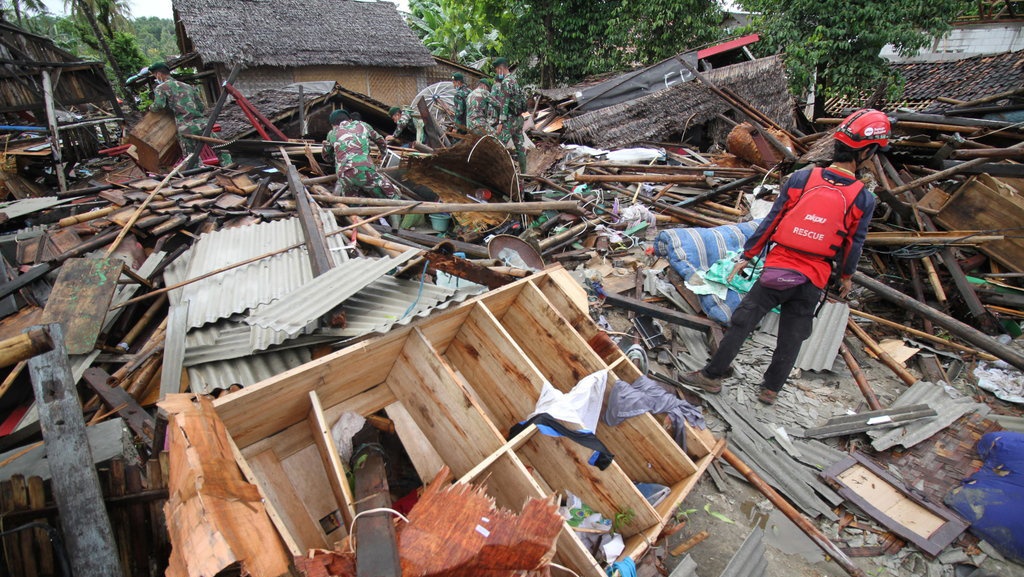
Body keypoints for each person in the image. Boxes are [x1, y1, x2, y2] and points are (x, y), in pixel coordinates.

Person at [680, 109, 891, 405]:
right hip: (813, 279)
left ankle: (711, 377)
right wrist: (845, 277)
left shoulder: (803, 179)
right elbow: (853, 244)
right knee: (793, 335)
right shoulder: (862, 198)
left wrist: (748, 254)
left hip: (779, 269)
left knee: (743, 321)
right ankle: (771, 389)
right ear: (867, 152)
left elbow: (772, 220)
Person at [322, 109, 400, 199]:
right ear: (350, 120)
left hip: (343, 175)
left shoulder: (331, 133)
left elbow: (326, 157)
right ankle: (396, 210)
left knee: (352, 203)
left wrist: (337, 159)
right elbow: (380, 140)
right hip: (364, 169)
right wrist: (384, 155)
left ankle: (354, 210)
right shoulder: (362, 125)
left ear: (333, 125)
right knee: (390, 195)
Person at [149, 61, 207, 159]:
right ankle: (229, 165)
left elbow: (159, 105)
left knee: (191, 157)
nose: (156, 78)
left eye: (155, 75)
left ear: (158, 74)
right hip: (201, 123)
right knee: (220, 148)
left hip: (185, 127)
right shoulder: (188, 86)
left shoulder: (161, 88)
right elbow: (201, 107)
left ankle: (197, 173)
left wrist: (150, 108)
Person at [490, 57, 528, 172]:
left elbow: (504, 104)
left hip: (510, 120)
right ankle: (524, 174)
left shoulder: (506, 83)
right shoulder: (514, 80)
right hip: (519, 119)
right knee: (520, 148)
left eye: (497, 70)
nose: (497, 73)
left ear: (501, 69)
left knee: (498, 146)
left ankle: (496, 172)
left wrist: (501, 122)